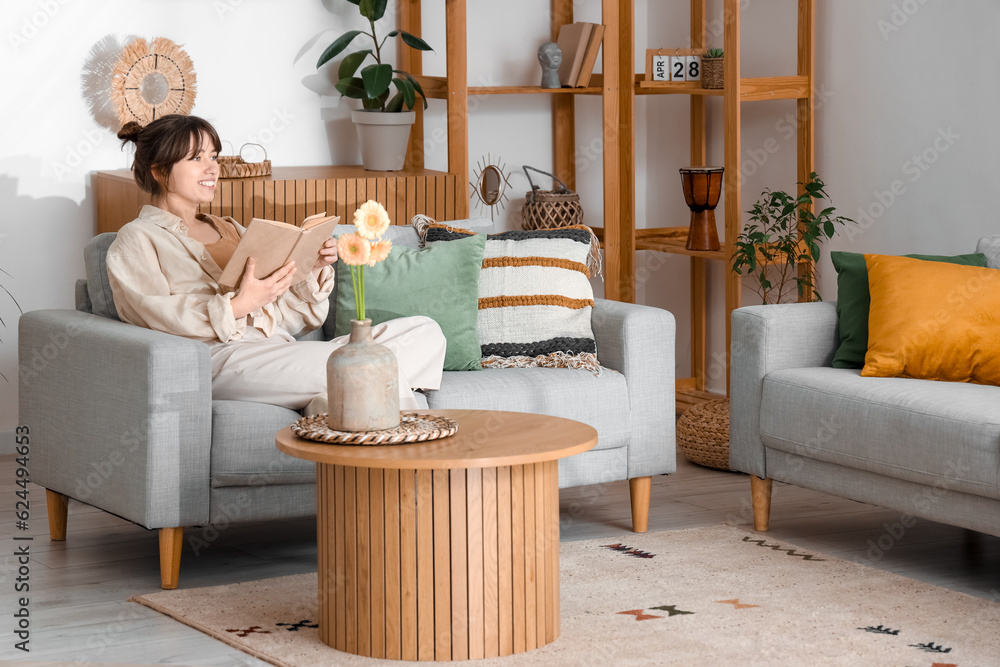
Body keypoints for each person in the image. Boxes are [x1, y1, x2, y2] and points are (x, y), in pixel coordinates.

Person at [107, 114, 446, 413]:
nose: (213, 168)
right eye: (197, 159)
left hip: (278, 350)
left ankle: (329, 404)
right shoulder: (136, 239)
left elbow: (292, 320)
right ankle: (412, 457)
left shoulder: (230, 228)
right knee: (356, 366)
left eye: (213, 156)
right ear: (160, 171)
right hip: (220, 358)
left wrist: (309, 268)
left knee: (425, 333)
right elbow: (151, 317)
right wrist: (238, 306)